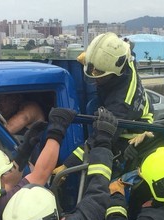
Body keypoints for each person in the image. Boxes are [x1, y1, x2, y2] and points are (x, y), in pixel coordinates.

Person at [55, 32, 154, 175]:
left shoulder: (121, 102)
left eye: (99, 74)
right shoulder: (124, 57)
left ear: (115, 72)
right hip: (125, 114)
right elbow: (126, 45)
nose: (95, 79)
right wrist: (93, 61)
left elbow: (100, 137)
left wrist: (67, 166)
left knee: (108, 162)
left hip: (132, 134)